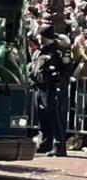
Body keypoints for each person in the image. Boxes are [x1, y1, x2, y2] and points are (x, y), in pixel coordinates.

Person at [30, 27, 75, 157]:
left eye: (39, 35)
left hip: (52, 88)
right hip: (40, 87)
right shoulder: (40, 51)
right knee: (42, 116)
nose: (38, 38)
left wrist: (58, 82)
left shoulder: (59, 51)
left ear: (44, 36)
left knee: (55, 117)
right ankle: (46, 143)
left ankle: (59, 146)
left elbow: (67, 70)